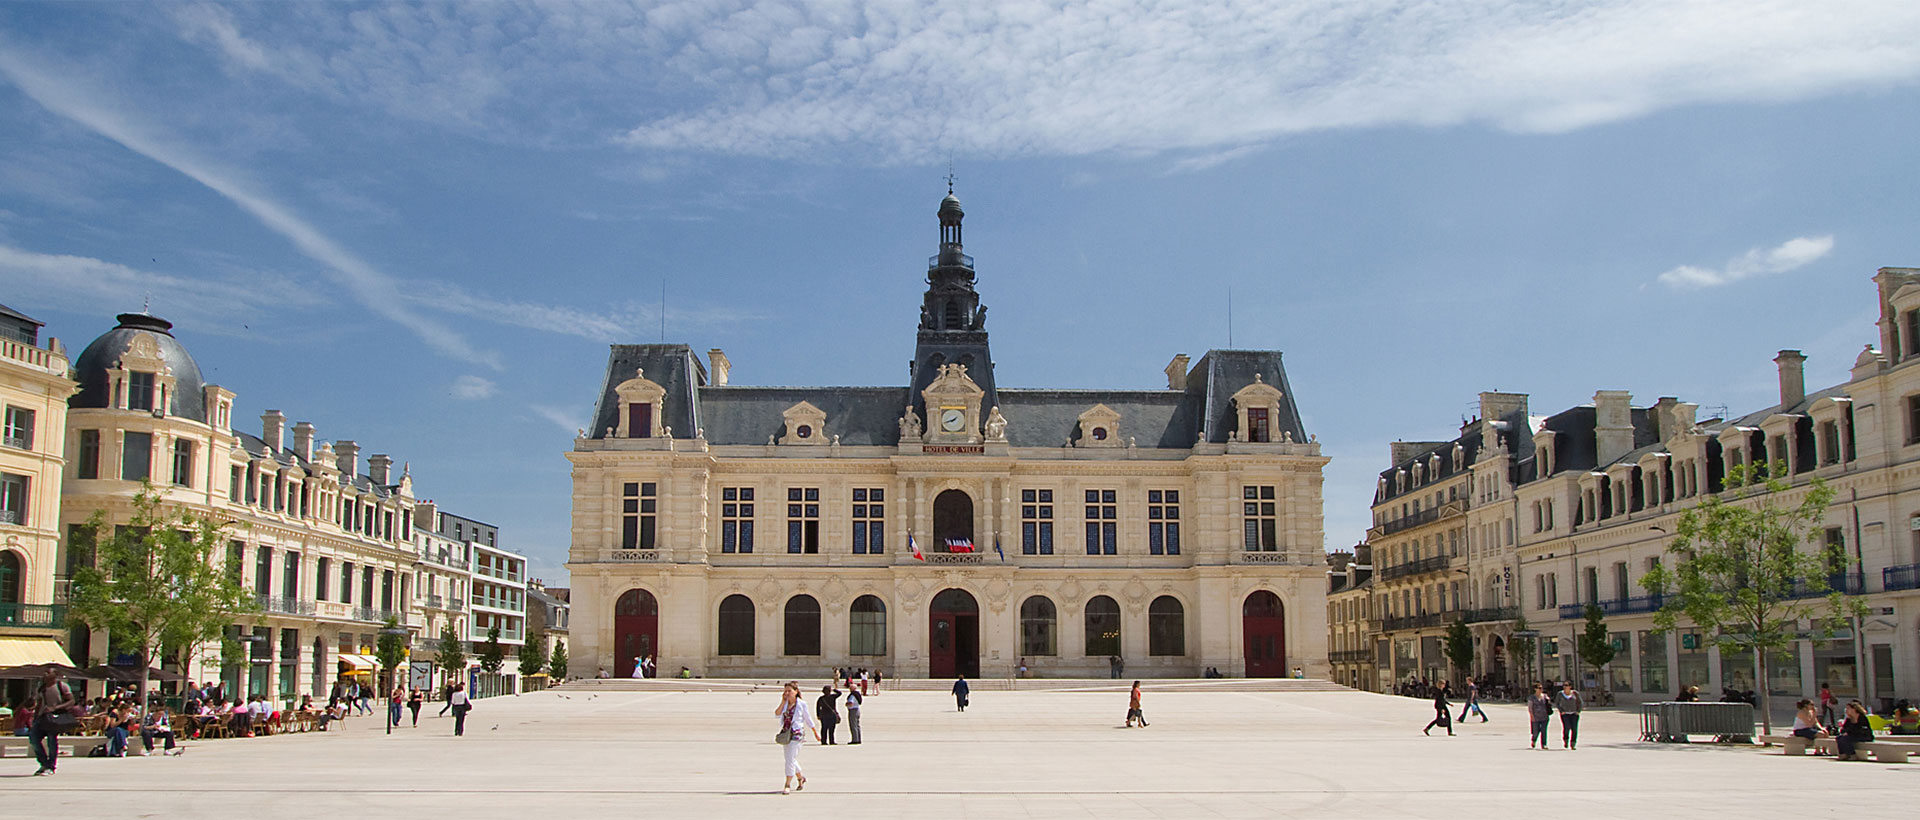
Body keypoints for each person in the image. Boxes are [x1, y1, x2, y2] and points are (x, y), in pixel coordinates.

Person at [30, 666, 76, 776]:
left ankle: (50, 766)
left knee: (51, 741)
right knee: (34, 739)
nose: (45, 674)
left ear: (55, 675)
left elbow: (71, 701)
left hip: (54, 718)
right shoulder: (41, 688)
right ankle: (44, 763)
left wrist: (56, 707)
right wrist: (35, 717)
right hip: (42, 718)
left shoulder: (62, 686)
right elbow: (39, 704)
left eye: (48, 672)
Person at [776, 682, 820, 794]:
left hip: (797, 734)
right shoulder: (785, 704)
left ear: (796, 692)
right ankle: (801, 778)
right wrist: (783, 701)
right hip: (786, 734)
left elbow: (808, 718)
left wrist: (815, 732)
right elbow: (777, 714)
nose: (787, 693)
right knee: (790, 759)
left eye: (789, 691)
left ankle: (787, 784)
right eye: (785, 691)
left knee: (790, 760)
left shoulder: (801, 704)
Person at [1555, 680, 1583, 750]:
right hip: (1565, 714)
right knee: (1566, 727)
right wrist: (1561, 711)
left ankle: (1573, 743)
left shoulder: (1575, 693)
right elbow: (1557, 703)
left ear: (1570, 686)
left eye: (1567, 685)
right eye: (1564, 685)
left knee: (1574, 729)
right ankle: (1566, 740)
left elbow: (1580, 702)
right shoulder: (1560, 694)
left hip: (1574, 714)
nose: (1565, 687)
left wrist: (1578, 711)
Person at [1527, 683, 1553, 750]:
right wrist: (1532, 716)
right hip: (1536, 717)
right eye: (1539, 688)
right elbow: (1530, 708)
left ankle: (1544, 744)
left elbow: (1548, 705)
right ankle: (1534, 740)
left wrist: (1548, 701)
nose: (1541, 689)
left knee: (1544, 730)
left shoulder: (1545, 696)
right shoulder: (1531, 698)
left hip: (1544, 716)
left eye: (1541, 688)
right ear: (1535, 689)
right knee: (1536, 731)